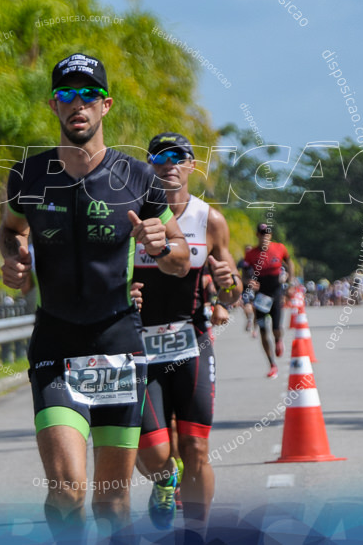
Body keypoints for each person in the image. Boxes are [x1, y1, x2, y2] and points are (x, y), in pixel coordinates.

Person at [0, 52, 190, 543]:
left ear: (105, 105)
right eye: (66, 95)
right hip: (56, 344)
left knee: (111, 501)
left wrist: (161, 243)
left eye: (87, 96)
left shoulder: (138, 179)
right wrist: (16, 256)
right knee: (66, 490)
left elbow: (181, 258)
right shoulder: (28, 176)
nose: (76, 104)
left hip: (119, 344)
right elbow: (10, 230)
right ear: (53, 104)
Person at [132, 132, 240, 534]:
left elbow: (232, 291)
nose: (169, 164)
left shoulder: (209, 219)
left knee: (195, 446)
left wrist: (229, 286)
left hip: (190, 342)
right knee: (155, 452)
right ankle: (164, 480)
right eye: (159, 157)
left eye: (179, 157)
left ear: (192, 166)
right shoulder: (132, 214)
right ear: (149, 166)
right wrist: (124, 291)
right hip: (138, 348)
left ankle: (197, 534)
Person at [242, 223, 294, 378]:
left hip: (276, 292)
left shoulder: (279, 248)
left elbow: (289, 262)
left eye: (267, 233)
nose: (265, 236)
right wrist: (249, 282)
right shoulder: (251, 254)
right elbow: (244, 274)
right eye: (262, 233)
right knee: (263, 330)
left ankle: (278, 339)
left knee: (276, 328)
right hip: (261, 295)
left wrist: (290, 282)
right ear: (257, 235)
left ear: (270, 236)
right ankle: (272, 364)